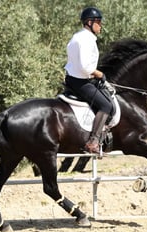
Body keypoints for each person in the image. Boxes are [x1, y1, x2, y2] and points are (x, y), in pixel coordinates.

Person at [64, 7, 113, 154]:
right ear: (89, 22)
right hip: (81, 82)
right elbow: (86, 67)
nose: (100, 25)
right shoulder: (86, 40)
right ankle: (93, 141)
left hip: (73, 79)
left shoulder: (77, 36)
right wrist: (99, 74)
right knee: (106, 105)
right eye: (98, 22)